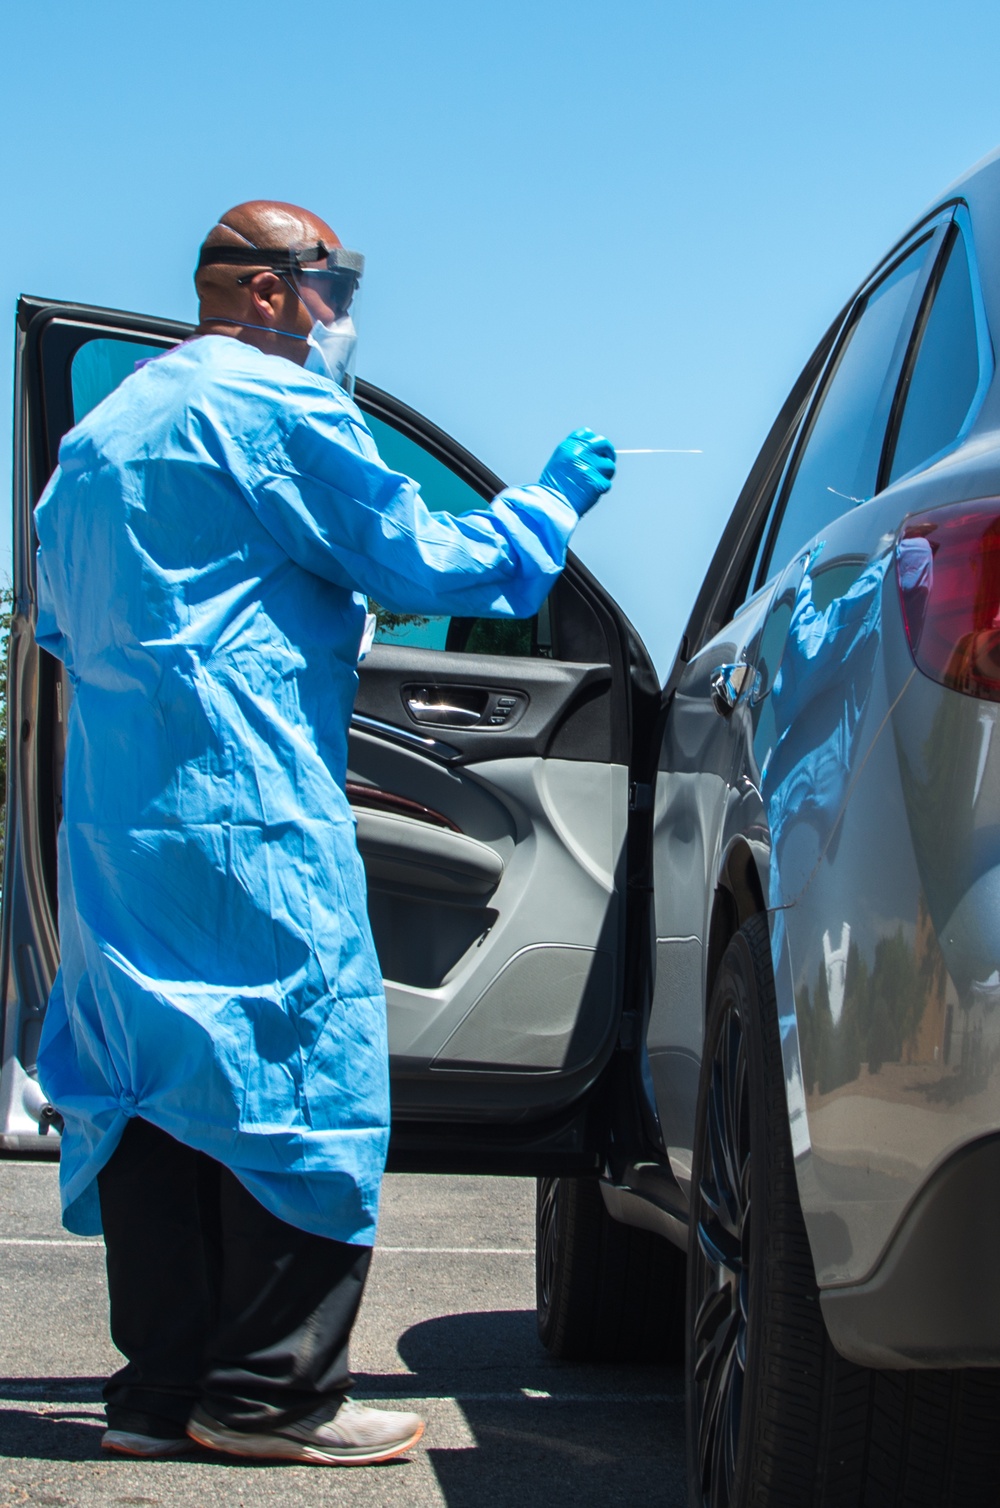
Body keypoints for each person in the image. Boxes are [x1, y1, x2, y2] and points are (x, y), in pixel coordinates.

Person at [33, 200, 616, 1467]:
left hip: (124, 820)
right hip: (250, 804)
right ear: (256, 290)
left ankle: (156, 1391)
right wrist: (549, 506)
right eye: (329, 280)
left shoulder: (96, 434)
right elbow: (435, 563)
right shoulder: (275, 409)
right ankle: (269, 1397)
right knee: (294, 1073)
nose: (341, 307)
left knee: (154, 1082)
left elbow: (64, 631)